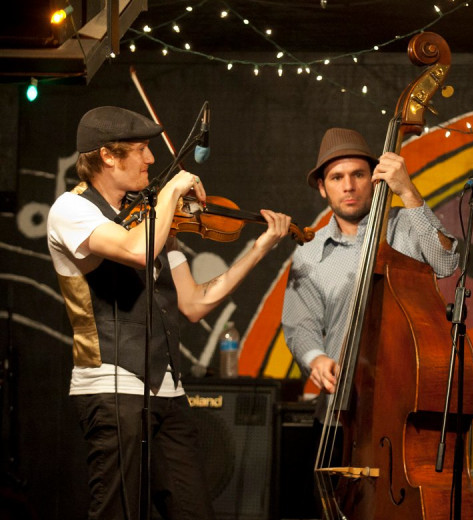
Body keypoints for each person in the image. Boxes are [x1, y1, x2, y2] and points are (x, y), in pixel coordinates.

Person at [47, 106, 292, 520]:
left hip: (167, 390)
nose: (151, 159)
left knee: (193, 511)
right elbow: (132, 251)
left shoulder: (152, 219)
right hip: (112, 384)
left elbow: (194, 304)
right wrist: (170, 192)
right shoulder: (72, 211)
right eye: (141, 149)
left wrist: (259, 249)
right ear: (107, 156)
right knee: (116, 512)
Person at [281, 127, 459, 419]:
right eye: (337, 178)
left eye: (358, 175)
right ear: (323, 188)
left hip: (407, 405)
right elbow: (301, 324)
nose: (348, 186)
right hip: (339, 413)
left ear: (375, 179)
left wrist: (408, 191)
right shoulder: (309, 253)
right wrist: (316, 358)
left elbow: (446, 263)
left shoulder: (405, 225)